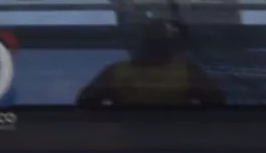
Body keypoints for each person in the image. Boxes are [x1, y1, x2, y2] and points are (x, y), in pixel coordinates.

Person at [77, 21, 225, 109]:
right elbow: (86, 102)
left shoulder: (186, 70)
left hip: (176, 135)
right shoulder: (116, 71)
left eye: (158, 43)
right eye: (151, 42)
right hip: (129, 136)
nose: (154, 47)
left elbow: (215, 101)